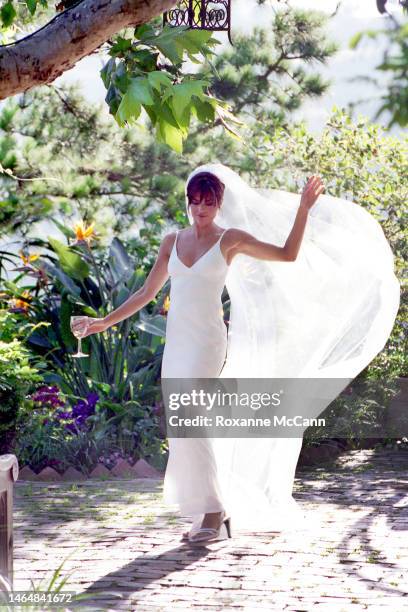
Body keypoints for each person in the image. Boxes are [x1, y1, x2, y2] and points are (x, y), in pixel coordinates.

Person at [73, 163, 400, 544]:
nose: (200, 209)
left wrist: (303, 211)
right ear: (188, 203)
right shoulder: (171, 241)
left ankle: (214, 510)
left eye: (208, 202)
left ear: (219, 204)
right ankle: (209, 509)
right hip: (177, 342)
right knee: (183, 425)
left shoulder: (230, 239)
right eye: (195, 202)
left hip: (207, 342)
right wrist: (101, 323)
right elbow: (145, 294)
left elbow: (288, 254)